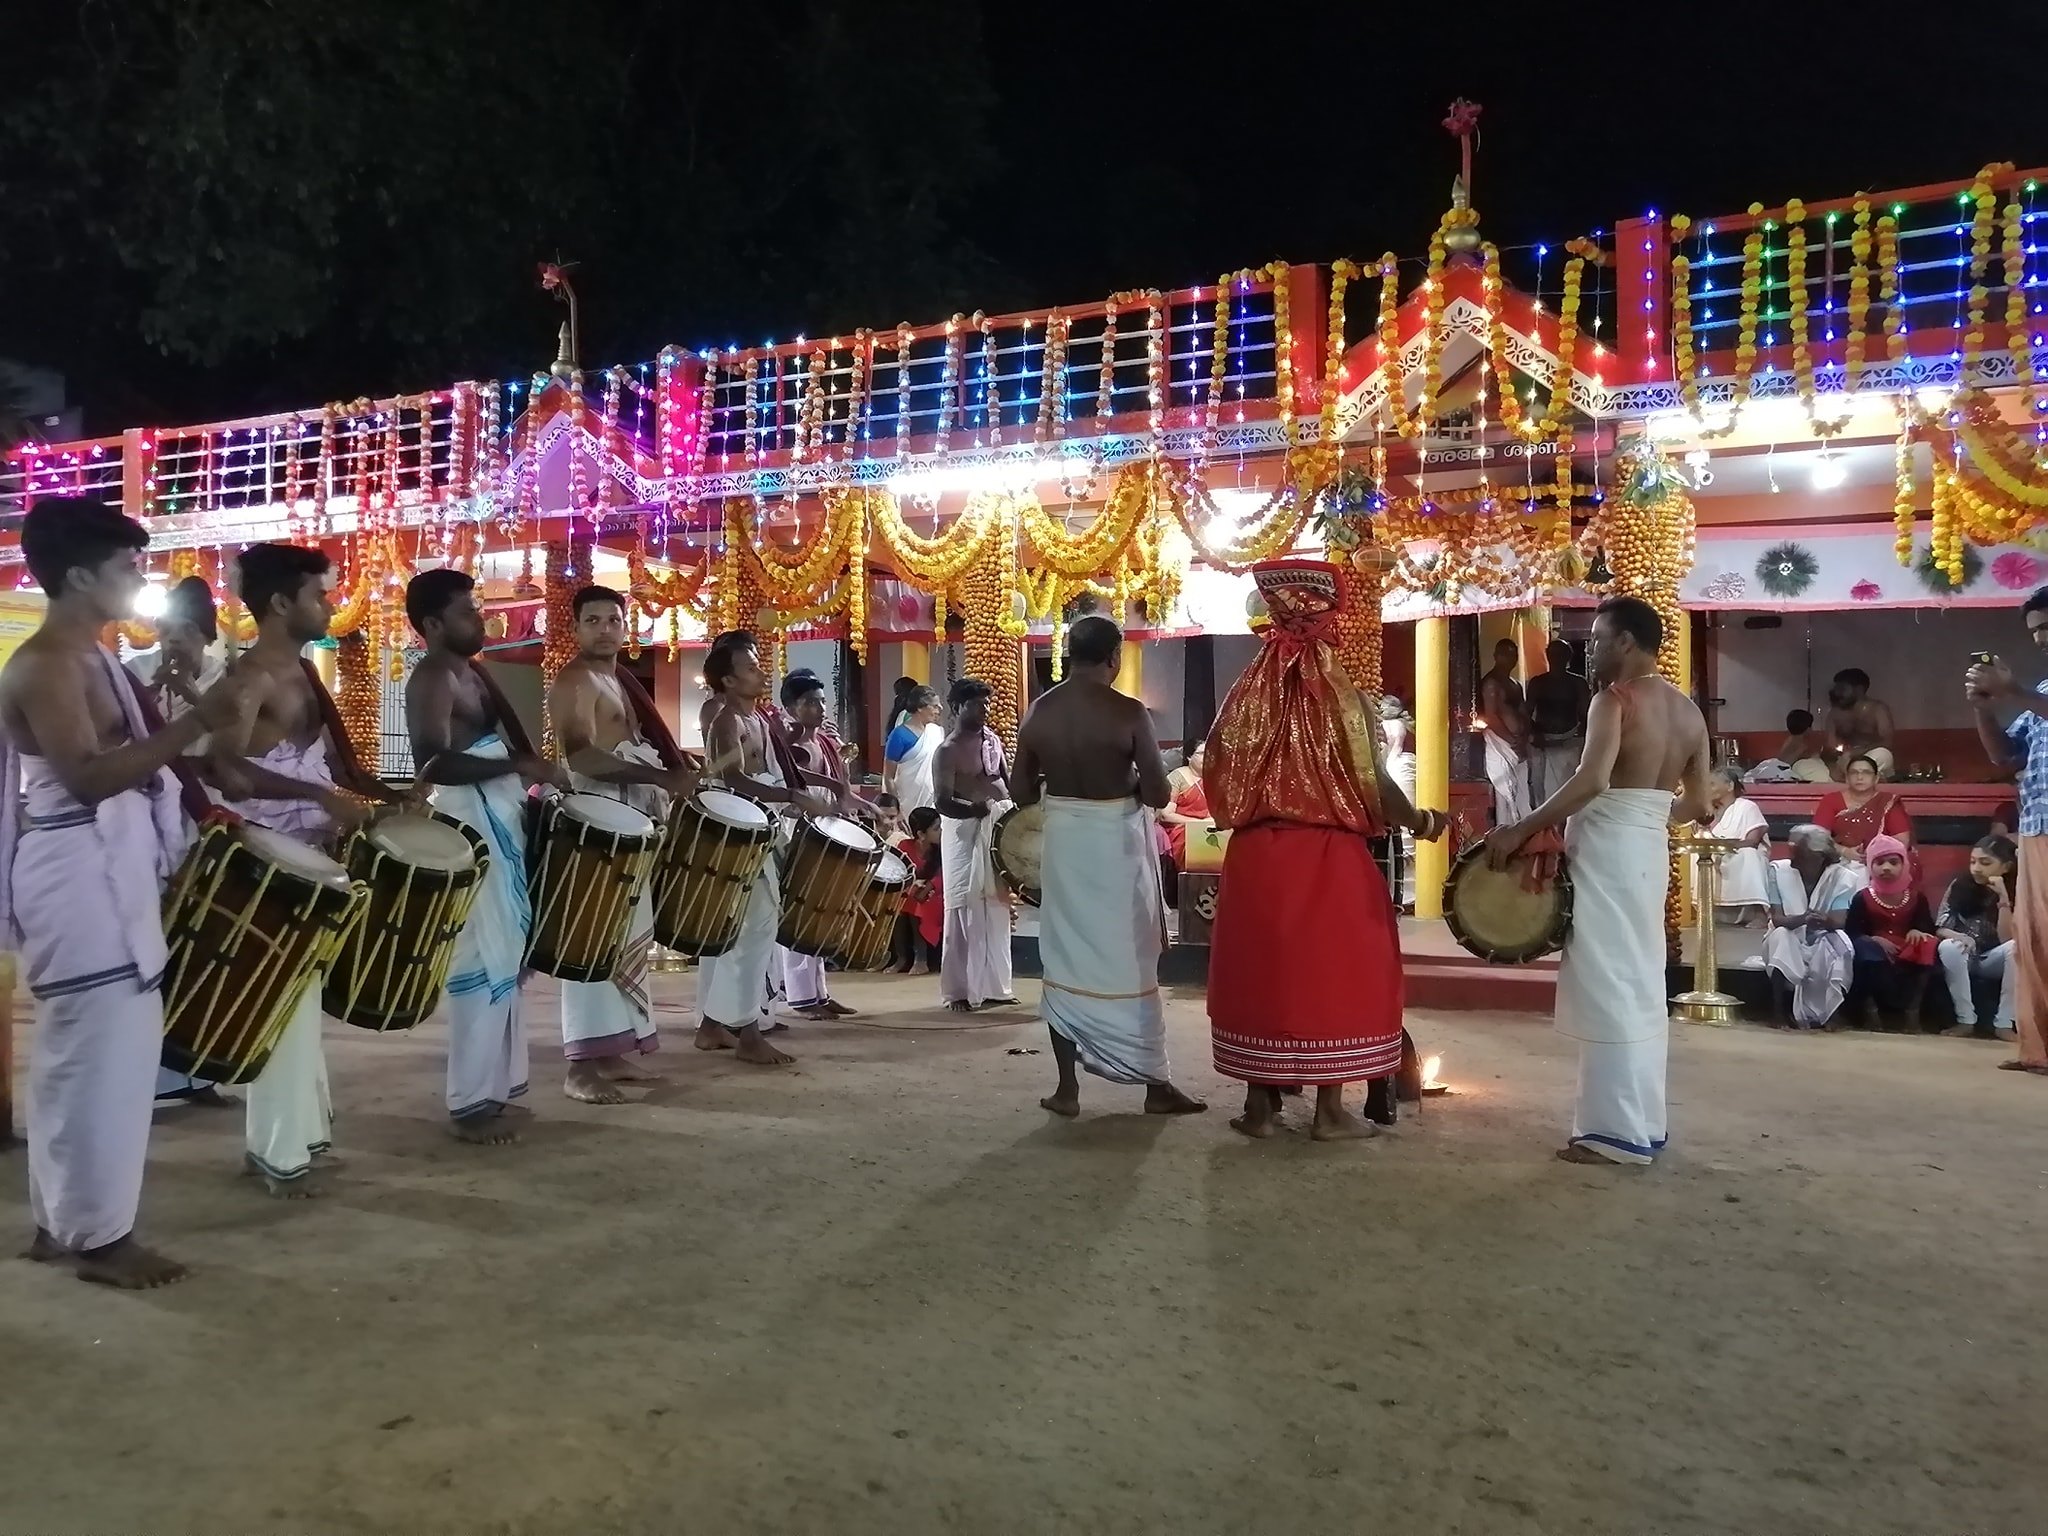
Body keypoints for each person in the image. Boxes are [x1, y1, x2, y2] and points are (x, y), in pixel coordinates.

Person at [0, 497, 262, 1286]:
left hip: (103, 870)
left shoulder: (93, 656)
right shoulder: (47, 663)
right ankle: (97, 1239)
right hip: (78, 873)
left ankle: (67, 1222)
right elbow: (83, 779)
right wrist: (193, 725)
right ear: (80, 576)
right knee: (97, 1058)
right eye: (126, 568)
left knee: (87, 1055)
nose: (139, 580)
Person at [1203, 560, 1447, 1139]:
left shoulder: (1243, 700)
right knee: (1332, 975)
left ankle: (1260, 1109)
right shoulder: (1348, 704)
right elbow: (1379, 790)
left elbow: (1215, 771)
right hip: (1326, 858)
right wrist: (1423, 819)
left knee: (1263, 975)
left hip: (1256, 858)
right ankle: (1328, 1112)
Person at [1482, 596, 1713, 1167]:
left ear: (1627, 643)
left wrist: (1520, 828)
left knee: (1610, 984)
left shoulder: (1614, 700)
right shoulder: (1689, 713)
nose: (1593, 650)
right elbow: (1701, 803)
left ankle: (1614, 1136)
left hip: (1609, 850)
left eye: (1599, 639)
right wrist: (1649, 817)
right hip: (1647, 850)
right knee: (1638, 980)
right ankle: (1643, 1125)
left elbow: (1590, 782)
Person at [210, 542, 406, 1196]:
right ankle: (276, 1154)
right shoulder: (250, 680)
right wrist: (315, 798)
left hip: (309, 855)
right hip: (266, 860)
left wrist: (389, 797)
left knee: (301, 1001)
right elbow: (223, 769)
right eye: (319, 595)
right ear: (279, 603)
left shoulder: (302, 674)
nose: (329, 605)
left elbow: (335, 768)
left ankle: (301, 1135)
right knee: (278, 1005)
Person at [1011, 617, 1204, 1116]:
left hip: (1067, 846)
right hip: (1115, 847)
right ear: (1114, 657)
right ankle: (1155, 1086)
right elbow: (1161, 793)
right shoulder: (1128, 712)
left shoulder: (1039, 712)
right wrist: (1133, 779)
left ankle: (1067, 1090)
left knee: (1065, 956)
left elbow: (1021, 792)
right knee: (1131, 958)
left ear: (1070, 655)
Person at [405, 569, 568, 1141]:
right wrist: (515, 766)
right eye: (467, 611)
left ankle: (497, 1087)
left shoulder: (471, 673)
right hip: (467, 824)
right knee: (480, 957)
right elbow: (432, 762)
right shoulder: (430, 679)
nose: (481, 619)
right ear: (433, 624)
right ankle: (469, 1102)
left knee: (507, 955)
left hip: (498, 817)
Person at [546, 585, 700, 1100]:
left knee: (622, 938)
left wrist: (676, 765)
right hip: (596, 821)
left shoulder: (618, 679)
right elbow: (582, 757)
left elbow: (630, 747)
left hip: (628, 820)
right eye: (593, 620)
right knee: (591, 934)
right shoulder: (573, 680)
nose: (606, 628)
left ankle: (611, 1054)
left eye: (614, 619)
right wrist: (658, 778)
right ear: (576, 628)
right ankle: (580, 1067)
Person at [126, 575, 238, 1110]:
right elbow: (122, 744)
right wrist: (154, 696)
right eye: (168, 629)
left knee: (202, 939)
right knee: (154, 938)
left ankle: (198, 1072)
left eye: (187, 631)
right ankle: (149, 1075)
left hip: (204, 820)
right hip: (143, 824)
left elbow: (225, 757)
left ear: (206, 636)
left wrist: (191, 697)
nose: (174, 641)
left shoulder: (224, 680)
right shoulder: (132, 676)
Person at [695, 633, 832, 1063]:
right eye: (751, 668)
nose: (761, 672)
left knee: (751, 930)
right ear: (729, 682)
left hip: (763, 830)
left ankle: (712, 1026)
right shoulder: (726, 721)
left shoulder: (760, 719)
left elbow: (784, 774)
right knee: (752, 930)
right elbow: (732, 779)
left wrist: (833, 790)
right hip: (738, 836)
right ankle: (747, 1033)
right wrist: (791, 798)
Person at [1966, 602, 2048, 1074]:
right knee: (2034, 941)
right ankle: (2037, 1048)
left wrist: (2011, 689)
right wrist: (1984, 709)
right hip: (2036, 827)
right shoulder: (2039, 692)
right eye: (2035, 631)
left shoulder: (2032, 694)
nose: (2040, 639)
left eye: (2046, 628)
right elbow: (2005, 756)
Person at [934, 678, 1018, 1013]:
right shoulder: (947, 751)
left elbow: (1006, 783)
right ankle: (959, 991)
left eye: (987, 704)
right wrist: (973, 810)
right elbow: (942, 801)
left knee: (996, 907)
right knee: (963, 908)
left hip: (995, 828)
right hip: (963, 834)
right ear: (957, 708)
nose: (985, 710)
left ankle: (997, 986)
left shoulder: (992, 740)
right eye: (977, 705)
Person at [778, 667, 858, 1021]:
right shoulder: (788, 744)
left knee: (819, 910)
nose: (821, 708)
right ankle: (800, 996)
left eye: (823, 701)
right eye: (811, 703)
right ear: (792, 708)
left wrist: (858, 809)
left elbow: (841, 789)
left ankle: (819, 992)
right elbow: (794, 779)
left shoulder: (824, 740)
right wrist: (835, 788)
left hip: (823, 828)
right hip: (796, 827)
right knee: (799, 909)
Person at [1762, 824, 1858, 1030]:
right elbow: (1778, 919)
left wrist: (1823, 921)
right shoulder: (1778, 871)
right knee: (1780, 936)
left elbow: (1839, 922)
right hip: (1789, 931)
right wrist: (1803, 919)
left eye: (1800, 855)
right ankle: (1777, 1012)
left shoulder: (1843, 878)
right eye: (1793, 852)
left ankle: (1832, 1013)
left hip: (1822, 934)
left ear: (1819, 856)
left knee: (1841, 942)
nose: (1793, 860)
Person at [1845, 834, 1937, 1031]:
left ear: (1904, 864)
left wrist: (1916, 930)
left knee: (1928, 945)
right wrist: (1874, 939)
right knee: (1865, 949)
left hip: (1905, 948)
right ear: (1870, 865)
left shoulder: (1916, 897)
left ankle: (1912, 1013)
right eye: (1879, 862)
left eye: (1893, 862)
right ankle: (1872, 1013)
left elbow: (1929, 928)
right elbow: (1851, 932)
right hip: (1873, 950)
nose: (1886, 867)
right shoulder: (1862, 897)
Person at [1934, 835, 2018, 1041]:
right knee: (1949, 947)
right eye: (1973, 862)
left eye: (1985, 863)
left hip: (1993, 957)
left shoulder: (2019, 888)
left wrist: (2003, 899)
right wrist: (1960, 936)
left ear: (2006, 867)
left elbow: (2007, 939)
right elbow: (1940, 926)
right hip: (1964, 953)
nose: (1977, 868)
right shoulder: (1960, 885)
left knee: (2017, 948)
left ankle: (2004, 1023)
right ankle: (1965, 1020)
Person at [1813, 754, 1910, 875]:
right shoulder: (1831, 800)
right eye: (1854, 773)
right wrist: (1844, 851)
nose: (1860, 777)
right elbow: (1818, 838)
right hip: (1838, 864)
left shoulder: (1887, 802)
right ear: (1847, 778)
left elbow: (1901, 841)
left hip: (1880, 865)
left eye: (1866, 772)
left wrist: (1875, 854)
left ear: (1876, 778)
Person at [1525, 638, 1591, 804]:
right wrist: (1536, 734)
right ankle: (1544, 827)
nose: (1556, 658)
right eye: (1553, 654)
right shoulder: (1537, 683)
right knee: (1539, 791)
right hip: (1542, 744)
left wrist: (1575, 740)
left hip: (1569, 744)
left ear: (1568, 657)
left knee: (1566, 794)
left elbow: (1585, 717)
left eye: (1561, 654)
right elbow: (1526, 714)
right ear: (1547, 656)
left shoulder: (1578, 683)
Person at [1704, 767, 1771, 924]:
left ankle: (1757, 913)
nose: (1708, 789)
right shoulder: (1708, 811)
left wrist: (1724, 847)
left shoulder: (1747, 807)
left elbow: (1753, 841)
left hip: (1741, 853)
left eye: (1712, 784)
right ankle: (1705, 911)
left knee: (1748, 854)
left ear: (1730, 786)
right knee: (1697, 857)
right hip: (1718, 853)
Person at [1478, 637, 1531, 825]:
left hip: (1518, 746)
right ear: (1496, 656)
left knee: (1522, 795)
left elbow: (1523, 714)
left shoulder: (1515, 685)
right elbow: (1491, 717)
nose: (1510, 658)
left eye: (1513, 654)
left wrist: (1523, 738)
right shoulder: (1491, 683)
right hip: (1501, 745)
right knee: (1506, 796)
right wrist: (1512, 741)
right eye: (1505, 654)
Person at [893, 805, 944, 975]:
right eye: (936, 828)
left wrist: (928, 886)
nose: (941, 831)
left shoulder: (944, 849)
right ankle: (901, 958)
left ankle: (921, 959)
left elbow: (944, 877)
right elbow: (900, 873)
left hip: (937, 895)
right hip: (913, 893)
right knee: (898, 904)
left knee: (916, 904)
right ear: (921, 834)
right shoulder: (904, 846)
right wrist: (915, 886)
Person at [1378, 694, 1418, 907]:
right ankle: (1413, 891)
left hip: (1398, 772)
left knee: (1403, 831)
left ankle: (1407, 894)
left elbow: (1389, 756)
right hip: (1410, 769)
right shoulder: (1406, 725)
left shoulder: (1389, 726)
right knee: (1408, 833)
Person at [1825, 668, 1896, 779]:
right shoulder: (1834, 713)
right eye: (1837, 688)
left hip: (1871, 759)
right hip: (1845, 762)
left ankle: (1859, 777)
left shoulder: (1877, 709)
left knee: (1883, 755)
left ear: (1859, 689)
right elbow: (1830, 746)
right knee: (1806, 764)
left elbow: (1887, 742)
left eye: (1842, 688)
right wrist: (1839, 755)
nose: (1837, 693)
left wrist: (1857, 752)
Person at [883, 684, 944, 811]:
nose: (939, 709)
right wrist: (896, 810)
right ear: (920, 707)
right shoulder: (899, 735)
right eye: (934, 706)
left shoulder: (936, 732)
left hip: (934, 804)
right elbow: (888, 777)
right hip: (906, 806)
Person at [1155, 740, 1210, 872]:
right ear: (1189, 757)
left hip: (1210, 827)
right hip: (1182, 830)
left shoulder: (1215, 779)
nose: (1207, 757)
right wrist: (1198, 824)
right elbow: (1165, 815)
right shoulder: (1178, 777)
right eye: (1202, 753)